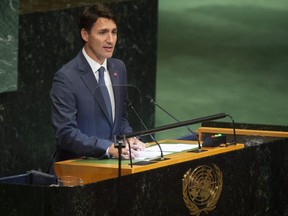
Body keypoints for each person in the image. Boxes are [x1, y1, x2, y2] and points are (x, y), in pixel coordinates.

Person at [50, 3, 145, 162]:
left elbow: (121, 118)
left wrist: (129, 138)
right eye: (102, 33)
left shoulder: (119, 68)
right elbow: (66, 134)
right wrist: (108, 148)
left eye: (114, 32)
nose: (110, 40)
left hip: (113, 167)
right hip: (78, 169)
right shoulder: (66, 77)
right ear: (85, 35)